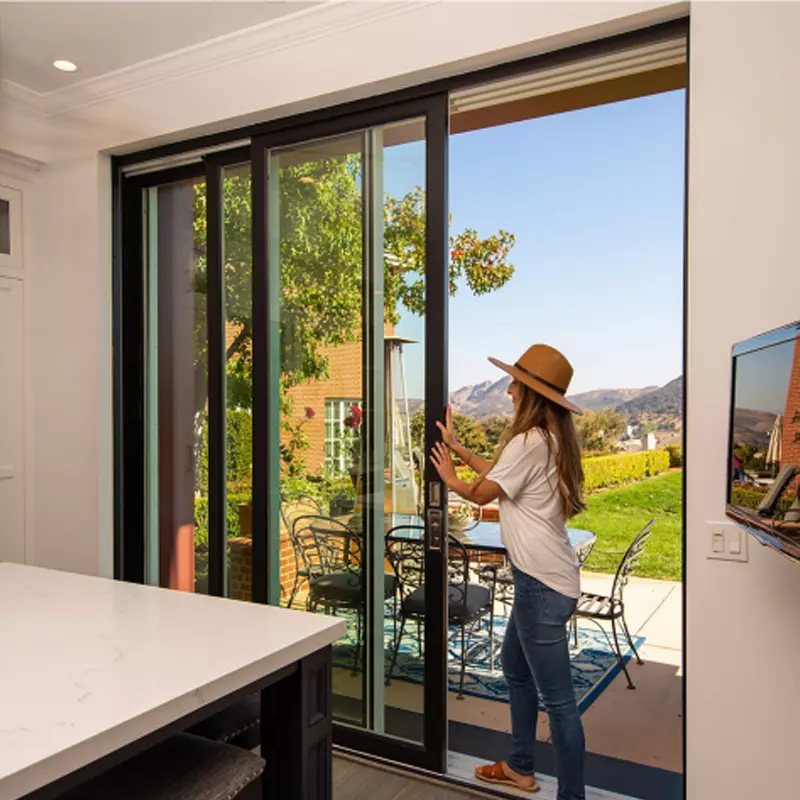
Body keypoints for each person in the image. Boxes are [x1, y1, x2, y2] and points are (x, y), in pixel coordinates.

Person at [430, 343, 586, 799]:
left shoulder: (528, 440)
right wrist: (459, 449)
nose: (510, 390)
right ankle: (520, 766)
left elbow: (481, 493)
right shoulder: (549, 440)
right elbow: (499, 475)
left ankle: (572, 796)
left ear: (532, 393)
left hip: (542, 585)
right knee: (514, 667)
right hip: (542, 581)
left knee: (560, 703)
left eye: (516, 383)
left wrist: (448, 477)